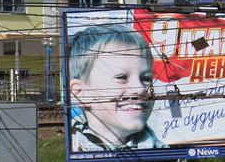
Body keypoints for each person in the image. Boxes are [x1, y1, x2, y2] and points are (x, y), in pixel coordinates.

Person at [67, 23, 166, 152]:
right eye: (122, 77)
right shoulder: (71, 147)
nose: (140, 88)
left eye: (146, 78)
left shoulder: (162, 151)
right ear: (80, 93)